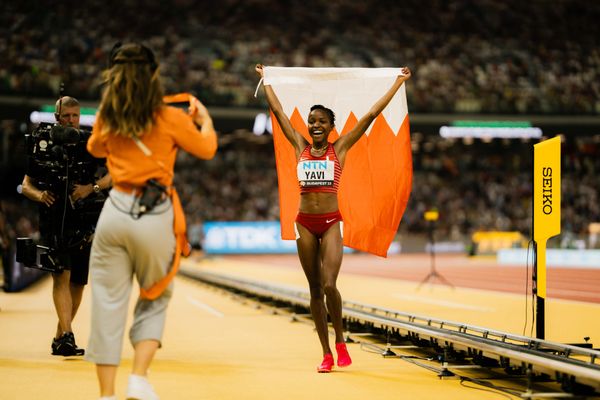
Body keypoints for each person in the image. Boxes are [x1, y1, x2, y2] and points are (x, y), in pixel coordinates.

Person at [255, 64, 411, 372]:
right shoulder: (299, 145)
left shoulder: (340, 149)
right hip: (304, 223)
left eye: (321, 121)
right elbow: (279, 112)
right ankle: (326, 352)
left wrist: (397, 82)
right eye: (312, 120)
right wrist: (266, 79)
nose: (314, 125)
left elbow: (370, 115)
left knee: (329, 284)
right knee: (313, 290)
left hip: (330, 222)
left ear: (330, 128)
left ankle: (341, 339)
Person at [86, 43, 217, 400]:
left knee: (107, 303)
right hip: (155, 213)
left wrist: (112, 111)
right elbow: (206, 149)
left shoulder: (109, 114)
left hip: (115, 210)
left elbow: (95, 149)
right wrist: (204, 121)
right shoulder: (169, 117)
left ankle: (107, 395)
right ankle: (138, 378)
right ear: (154, 74)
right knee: (155, 295)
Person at [21, 95, 111, 357]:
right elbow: (26, 185)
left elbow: (115, 172)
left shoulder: (90, 141)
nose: (71, 120)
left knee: (78, 281)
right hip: (53, 218)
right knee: (62, 274)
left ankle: (60, 336)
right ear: (57, 117)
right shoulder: (42, 142)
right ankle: (68, 336)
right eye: (66, 116)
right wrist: (40, 195)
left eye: (75, 116)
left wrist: (90, 188)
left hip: (84, 218)